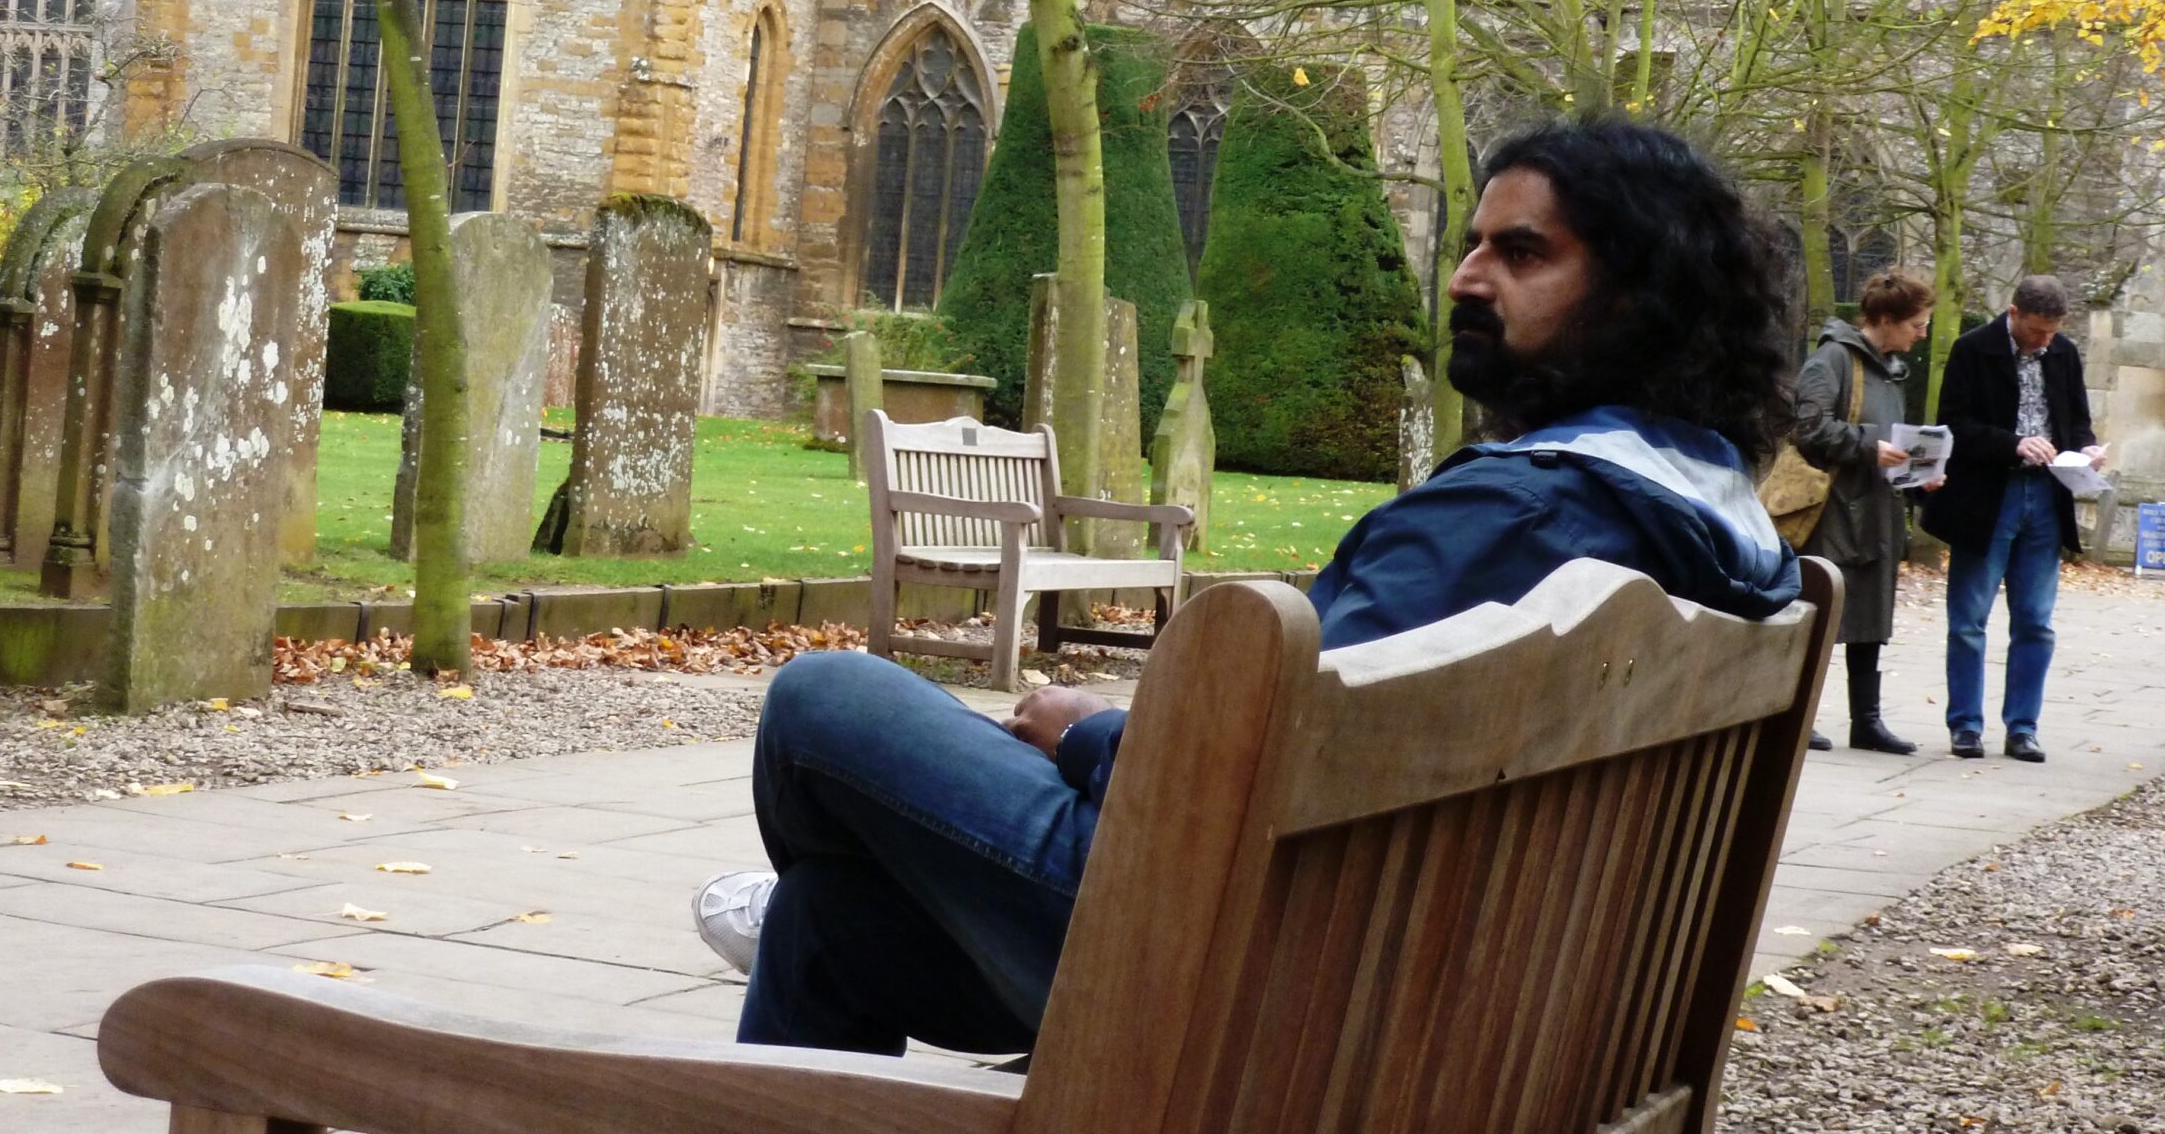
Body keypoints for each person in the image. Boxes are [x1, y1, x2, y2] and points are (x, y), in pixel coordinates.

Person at [693, 119, 1802, 1058]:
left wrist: (1089, 733)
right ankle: (850, 875)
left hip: (1256, 993)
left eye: (1521, 253)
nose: (1464, 278)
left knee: (825, 699)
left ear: (1638, 294)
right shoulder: (1709, 522)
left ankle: (874, 857)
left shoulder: (1517, 518)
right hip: (1453, 1004)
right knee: (824, 917)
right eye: (1471, 247)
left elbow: (1272, 777)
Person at [1926, 275, 2106, 763]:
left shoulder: (2063, 353)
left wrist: (2085, 449)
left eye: (2051, 332)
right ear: (2014, 312)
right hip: (1988, 495)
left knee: (2036, 621)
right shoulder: (1972, 349)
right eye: (2036, 331)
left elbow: (2076, 417)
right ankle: (1965, 725)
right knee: (1969, 619)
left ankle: (2023, 727)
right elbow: (1954, 425)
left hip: (2047, 495)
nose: (2044, 341)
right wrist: (2012, 444)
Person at [1792, 271, 1938, 755]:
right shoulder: (1833, 359)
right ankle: (1799, 717)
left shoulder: (1891, 369)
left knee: (1871, 614)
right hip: (1833, 508)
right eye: (1916, 325)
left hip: (1877, 507)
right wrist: (1867, 446)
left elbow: (1891, 442)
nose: (1921, 334)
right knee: (1822, 613)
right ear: (1885, 319)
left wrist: (1920, 471)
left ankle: (1866, 721)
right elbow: (1808, 428)